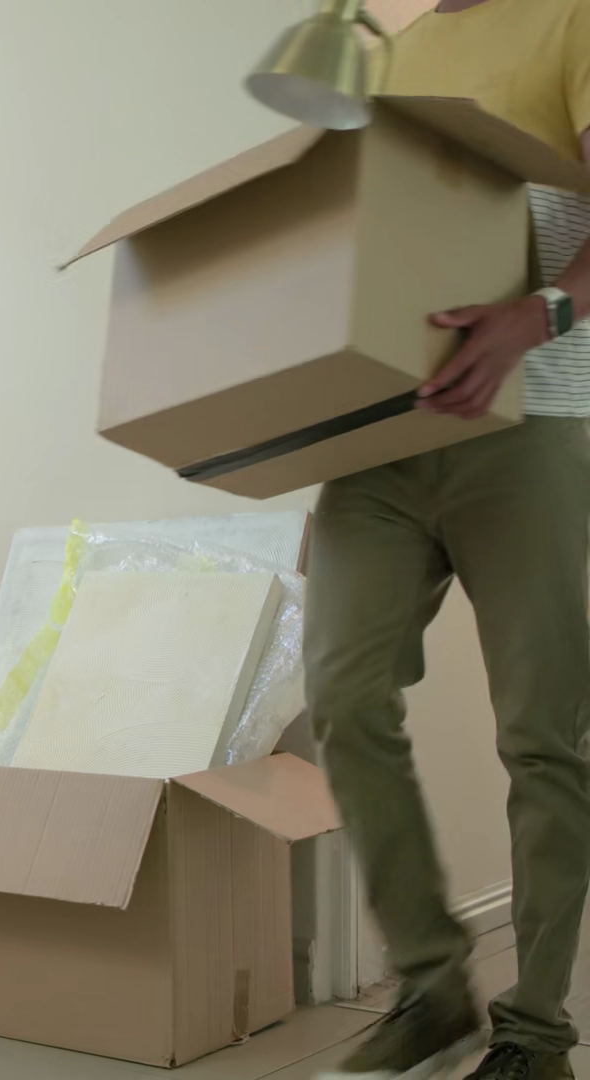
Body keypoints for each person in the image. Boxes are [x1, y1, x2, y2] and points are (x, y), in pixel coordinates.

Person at [309, 2, 590, 1078]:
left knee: (542, 734)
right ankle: (432, 986)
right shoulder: (392, 51)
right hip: (382, 430)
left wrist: (541, 312)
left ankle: (536, 1032)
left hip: (533, 419)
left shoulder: (569, 21)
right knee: (343, 697)